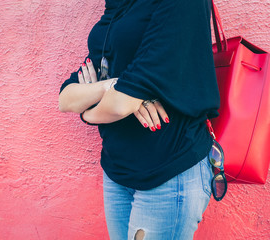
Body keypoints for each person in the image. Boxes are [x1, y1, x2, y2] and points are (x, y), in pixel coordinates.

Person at [58, 0, 220, 239]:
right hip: (117, 170)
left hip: (169, 168)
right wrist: (111, 86)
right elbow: (66, 98)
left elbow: (120, 104)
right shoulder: (118, 4)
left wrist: (88, 112)